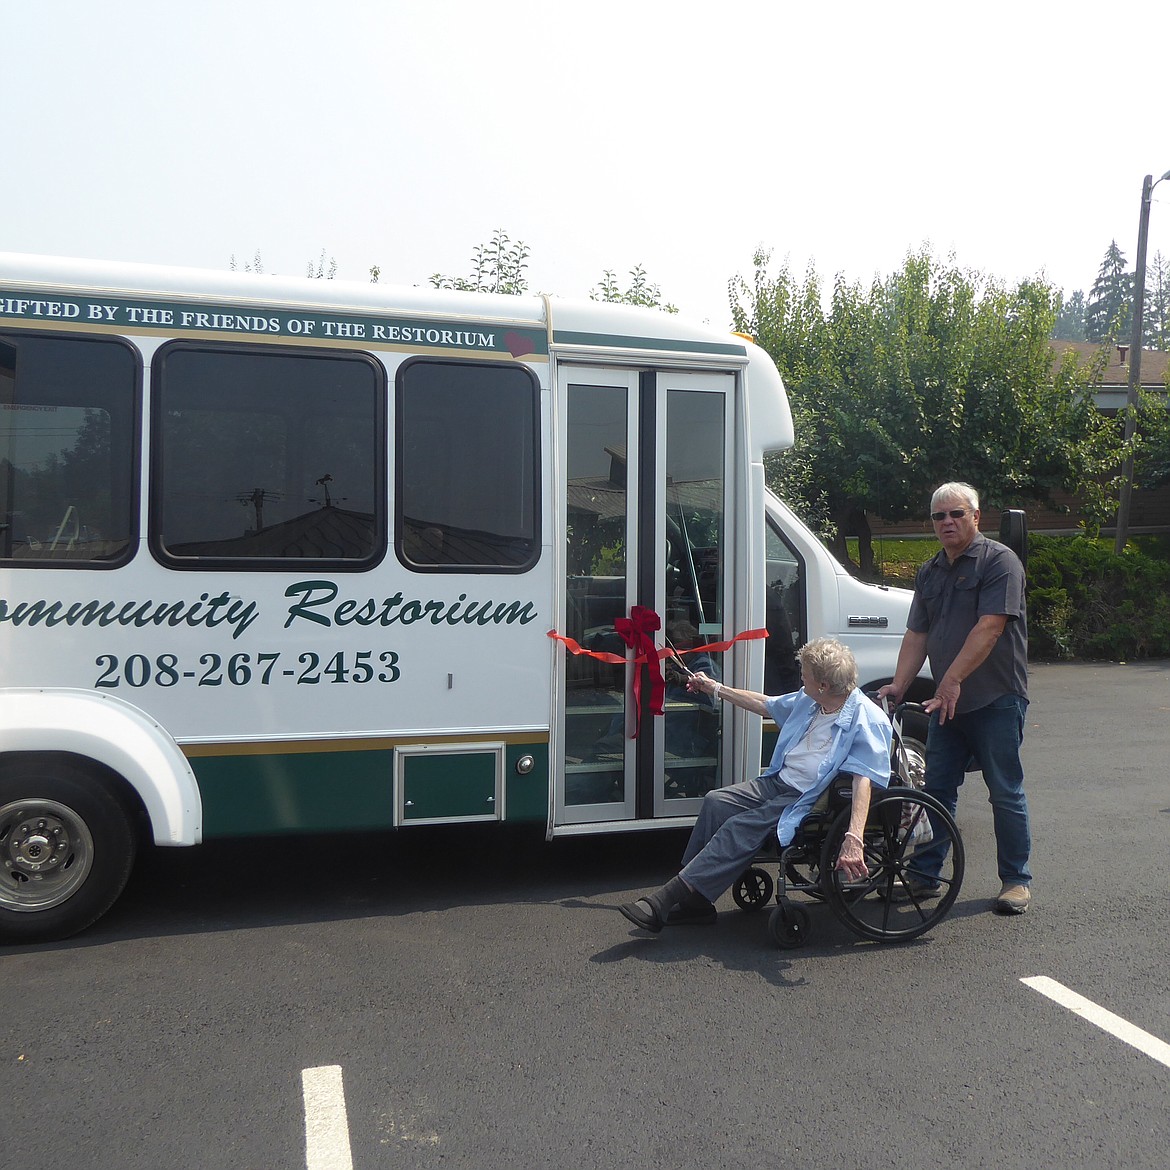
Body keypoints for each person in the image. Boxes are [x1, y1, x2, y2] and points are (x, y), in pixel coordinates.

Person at [618, 637, 892, 933]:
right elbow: (765, 705)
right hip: (778, 782)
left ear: (823, 685)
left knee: (739, 827)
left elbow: (864, 779)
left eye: (805, 676)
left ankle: (666, 899)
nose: (800, 678)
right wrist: (715, 687)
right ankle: (695, 901)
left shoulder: (866, 719)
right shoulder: (811, 700)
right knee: (716, 802)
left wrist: (854, 837)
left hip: (806, 798)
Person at [879, 482, 1032, 915]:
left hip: (995, 697)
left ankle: (1016, 881)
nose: (947, 522)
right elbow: (918, 633)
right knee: (936, 789)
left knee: (1004, 791)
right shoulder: (930, 571)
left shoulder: (1000, 562)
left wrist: (950, 680)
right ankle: (926, 876)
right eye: (939, 516)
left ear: (976, 517)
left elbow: (990, 627)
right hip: (948, 703)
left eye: (957, 514)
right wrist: (900, 684)